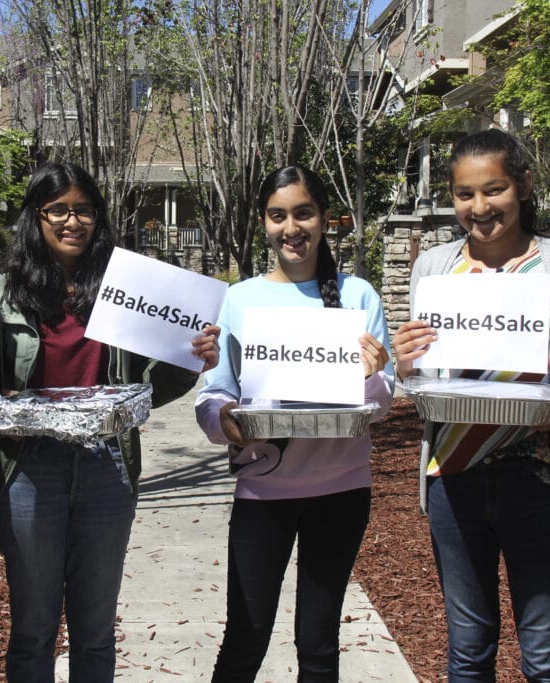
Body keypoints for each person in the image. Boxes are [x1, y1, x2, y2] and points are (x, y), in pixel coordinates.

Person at [0, 161, 220, 682]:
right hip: (30, 471)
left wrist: (189, 358)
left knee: (96, 631)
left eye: (83, 210)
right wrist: (0, 411)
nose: (71, 221)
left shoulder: (124, 291)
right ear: (35, 218)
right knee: (33, 629)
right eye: (57, 209)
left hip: (107, 466)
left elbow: (150, 382)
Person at [393, 129, 550, 682]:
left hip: (539, 480)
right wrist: (401, 368)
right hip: (453, 478)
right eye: (464, 194)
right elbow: (416, 380)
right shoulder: (434, 269)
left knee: (545, 652)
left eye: (493, 189)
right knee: (468, 651)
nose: (479, 207)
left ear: (521, 186)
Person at [194, 165, 394, 681]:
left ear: (325, 219)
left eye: (303, 213)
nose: (291, 227)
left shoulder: (359, 297)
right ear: (263, 222)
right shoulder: (239, 298)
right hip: (262, 494)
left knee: (319, 646)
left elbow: (384, 401)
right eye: (278, 215)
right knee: (244, 639)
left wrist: (372, 376)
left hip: (342, 491)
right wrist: (226, 422)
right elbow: (214, 393)